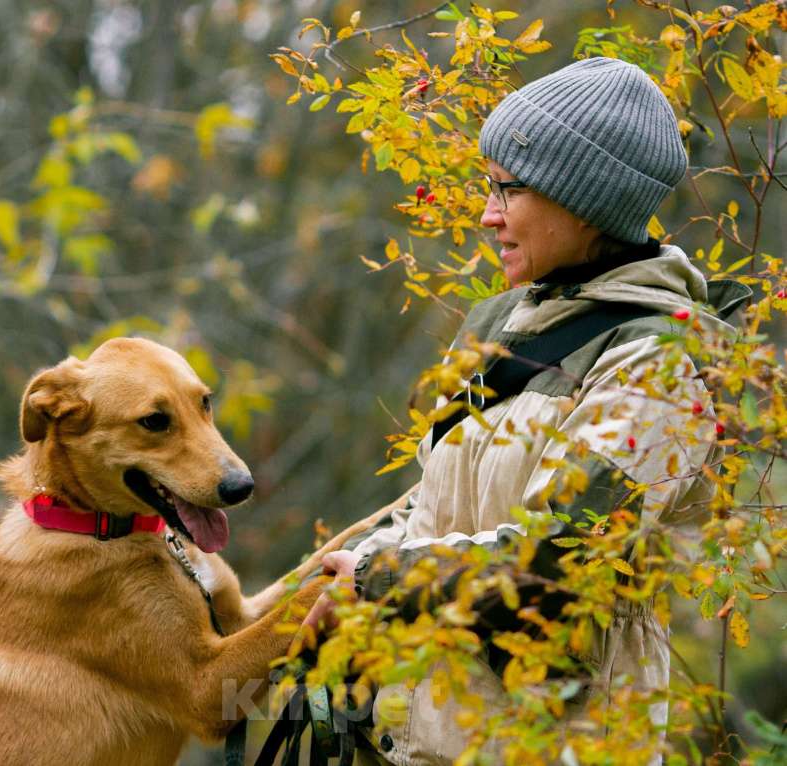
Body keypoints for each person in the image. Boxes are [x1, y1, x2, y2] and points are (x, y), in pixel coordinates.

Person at [303, 57, 751, 765]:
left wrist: (377, 574)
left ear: (584, 202)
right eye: (489, 188)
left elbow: (555, 563)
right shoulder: (502, 323)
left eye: (508, 191)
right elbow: (439, 506)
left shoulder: (660, 366)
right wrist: (349, 578)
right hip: (416, 741)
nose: (487, 215)